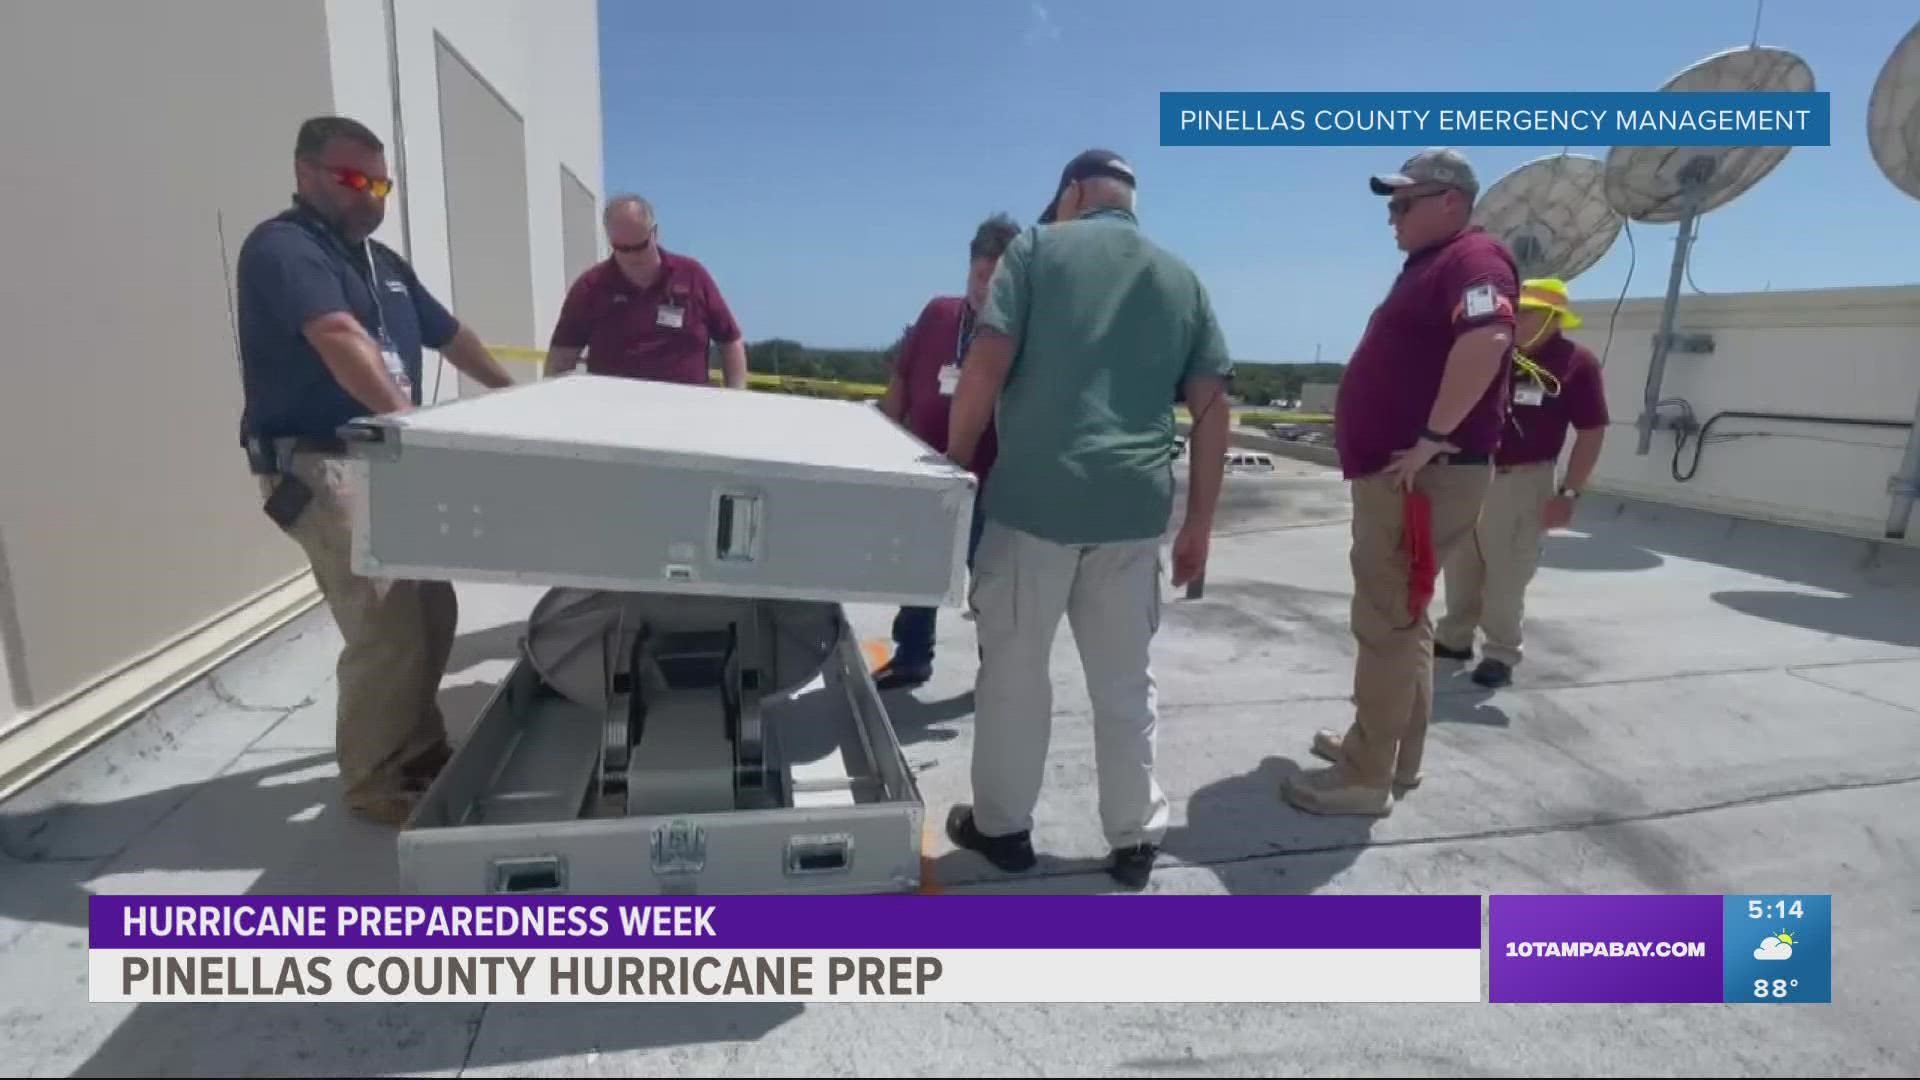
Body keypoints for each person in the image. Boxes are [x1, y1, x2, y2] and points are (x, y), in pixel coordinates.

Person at [942, 149, 1233, 889]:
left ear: (1071, 193)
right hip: (1133, 515)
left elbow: (986, 363)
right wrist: (1199, 522)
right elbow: (1212, 408)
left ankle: (1003, 830)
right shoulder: (1182, 278)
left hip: (1033, 504)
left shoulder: (1035, 249)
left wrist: (952, 465)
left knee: (1013, 674)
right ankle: (1135, 837)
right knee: (1125, 682)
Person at [235, 115, 516, 827]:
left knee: (430, 607)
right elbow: (336, 336)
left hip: (385, 459)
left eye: (380, 182)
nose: (371, 195)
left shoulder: (381, 263)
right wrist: (405, 419)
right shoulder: (285, 249)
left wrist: (513, 397)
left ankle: (415, 752)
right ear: (306, 173)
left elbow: (450, 335)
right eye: (353, 179)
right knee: (386, 620)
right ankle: (374, 778)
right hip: (320, 461)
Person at [1287, 147, 1518, 818]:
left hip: (1422, 477)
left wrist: (1432, 437)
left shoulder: (1475, 259)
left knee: (1386, 621)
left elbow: (1487, 341)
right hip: (1412, 473)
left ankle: (1365, 777)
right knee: (1406, 620)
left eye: (1402, 204)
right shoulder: (1432, 264)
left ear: (1450, 201)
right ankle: (1391, 753)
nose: (1391, 217)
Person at [870, 213, 1022, 691]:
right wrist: (881, 441)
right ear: (968, 269)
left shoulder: (1022, 334)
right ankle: (912, 656)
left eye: (999, 281)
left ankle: (997, 673)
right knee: (918, 570)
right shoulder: (938, 314)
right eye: (981, 276)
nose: (987, 289)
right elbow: (900, 383)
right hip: (928, 471)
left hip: (990, 482)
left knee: (989, 586)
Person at [1434, 277, 1608, 688]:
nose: (1516, 318)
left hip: (1522, 480)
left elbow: (1592, 430)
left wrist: (1569, 492)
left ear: (1551, 316)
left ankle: (1500, 652)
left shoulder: (1575, 363)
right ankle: (1454, 638)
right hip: (1471, 471)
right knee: (1462, 562)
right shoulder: (1496, 354)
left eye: (1526, 311)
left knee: (1508, 571)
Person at [544, 194, 747, 389]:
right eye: (622, 248)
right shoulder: (590, 287)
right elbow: (561, 358)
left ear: (655, 233)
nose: (632, 257)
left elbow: (730, 341)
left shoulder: (692, 276)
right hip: (614, 413)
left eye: (640, 246)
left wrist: (735, 400)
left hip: (687, 412)